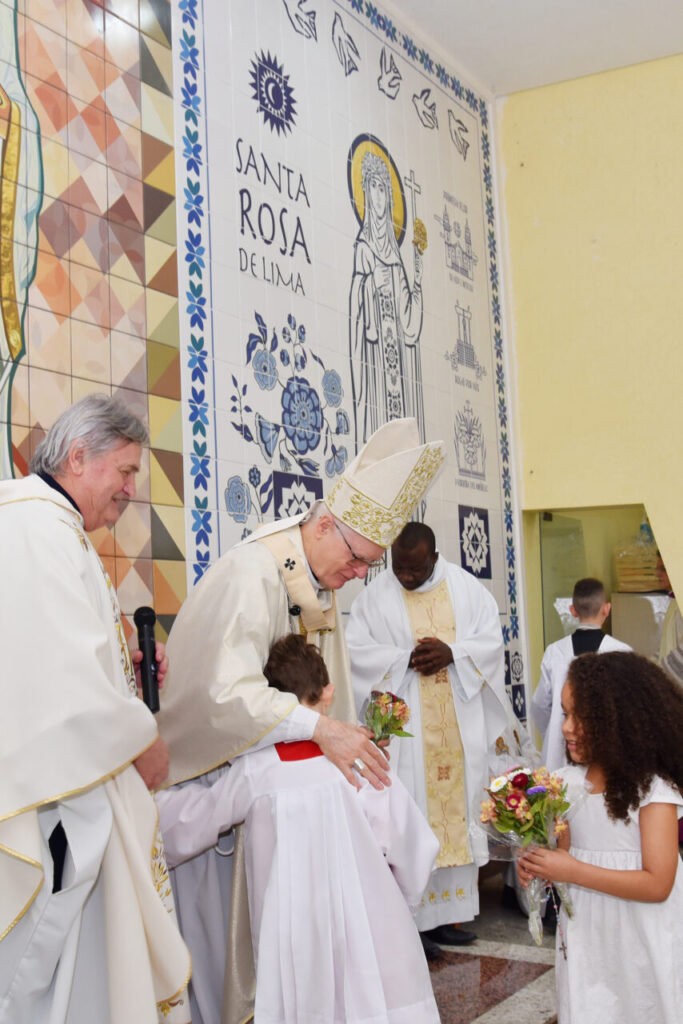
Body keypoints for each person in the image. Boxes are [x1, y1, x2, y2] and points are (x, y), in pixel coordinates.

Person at [157, 418, 444, 1024]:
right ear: (322, 527)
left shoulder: (308, 583)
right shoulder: (251, 575)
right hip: (216, 817)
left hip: (255, 812)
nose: (361, 574)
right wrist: (322, 730)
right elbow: (227, 698)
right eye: (361, 559)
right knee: (229, 978)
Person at [0, 394, 190, 1024]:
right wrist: (143, 738)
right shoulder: (35, 525)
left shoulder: (55, 527)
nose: (131, 489)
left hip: (68, 777)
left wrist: (124, 667)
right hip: (50, 793)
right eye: (127, 471)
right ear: (79, 457)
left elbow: (63, 651)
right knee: (32, 955)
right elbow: (61, 669)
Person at [156, 634, 441, 1024]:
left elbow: (193, 822)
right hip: (368, 921)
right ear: (328, 692)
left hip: (292, 936)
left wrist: (148, 807)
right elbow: (411, 845)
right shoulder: (359, 760)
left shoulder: (254, 771)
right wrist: (402, 902)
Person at [346, 521, 519, 957]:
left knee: (453, 816)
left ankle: (446, 920)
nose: (405, 577)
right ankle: (412, 925)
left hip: (456, 728)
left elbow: (491, 645)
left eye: (414, 570)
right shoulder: (375, 597)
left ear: (434, 557)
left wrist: (453, 653)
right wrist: (403, 659)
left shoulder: (467, 590)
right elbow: (355, 653)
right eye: (399, 568)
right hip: (407, 735)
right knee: (413, 818)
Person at [518, 652, 683, 1024]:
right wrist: (539, 865)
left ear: (617, 722)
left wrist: (573, 869)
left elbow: (658, 883)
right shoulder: (567, 784)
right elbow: (565, 858)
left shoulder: (654, 791)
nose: (566, 728)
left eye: (581, 718)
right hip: (587, 931)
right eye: (564, 714)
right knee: (592, 1007)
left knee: (641, 1004)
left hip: (642, 932)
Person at [349, 150, 425, 448]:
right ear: (366, 194)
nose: (379, 197)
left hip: (398, 378)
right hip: (374, 372)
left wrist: (416, 279)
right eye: (374, 189)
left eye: (384, 189)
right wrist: (368, 286)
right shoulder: (363, 250)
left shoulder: (395, 259)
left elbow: (409, 327)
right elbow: (356, 313)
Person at [531, 578, 631, 771]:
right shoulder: (622, 652)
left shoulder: (554, 652)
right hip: (608, 754)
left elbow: (539, 705)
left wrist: (554, 732)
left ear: (573, 611)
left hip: (559, 753)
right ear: (606, 609)